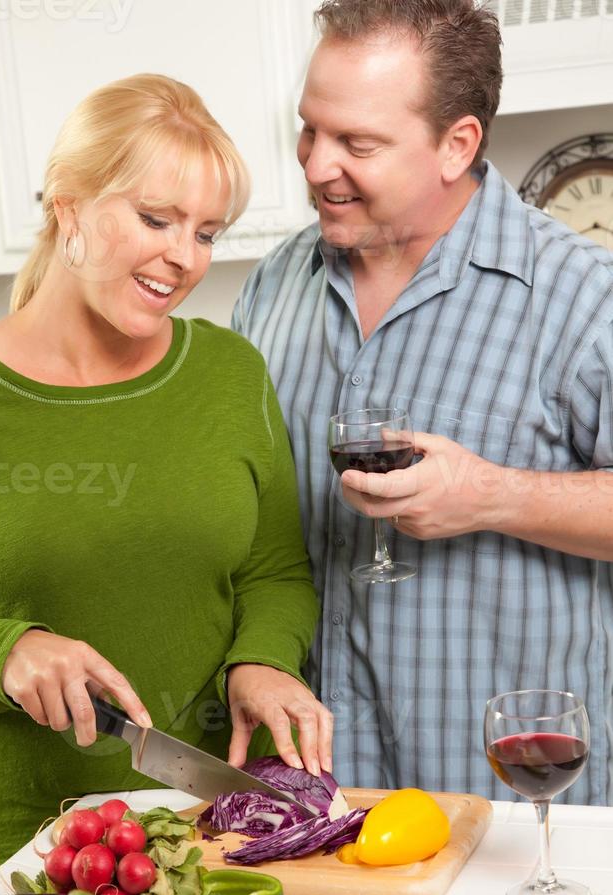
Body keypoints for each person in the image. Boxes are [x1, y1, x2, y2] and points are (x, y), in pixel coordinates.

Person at [0, 73, 333, 895]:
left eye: (206, 231)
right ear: (69, 210)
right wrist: (4, 649)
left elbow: (273, 571)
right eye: (156, 219)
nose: (184, 257)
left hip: (203, 848)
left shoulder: (229, 374)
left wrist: (264, 662)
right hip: (13, 859)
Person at [233, 0, 613, 804]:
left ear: (456, 145)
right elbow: (257, 535)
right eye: (310, 129)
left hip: (511, 799)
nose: (313, 165)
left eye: (356, 143)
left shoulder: (582, 298)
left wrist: (492, 494)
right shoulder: (272, 287)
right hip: (317, 804)